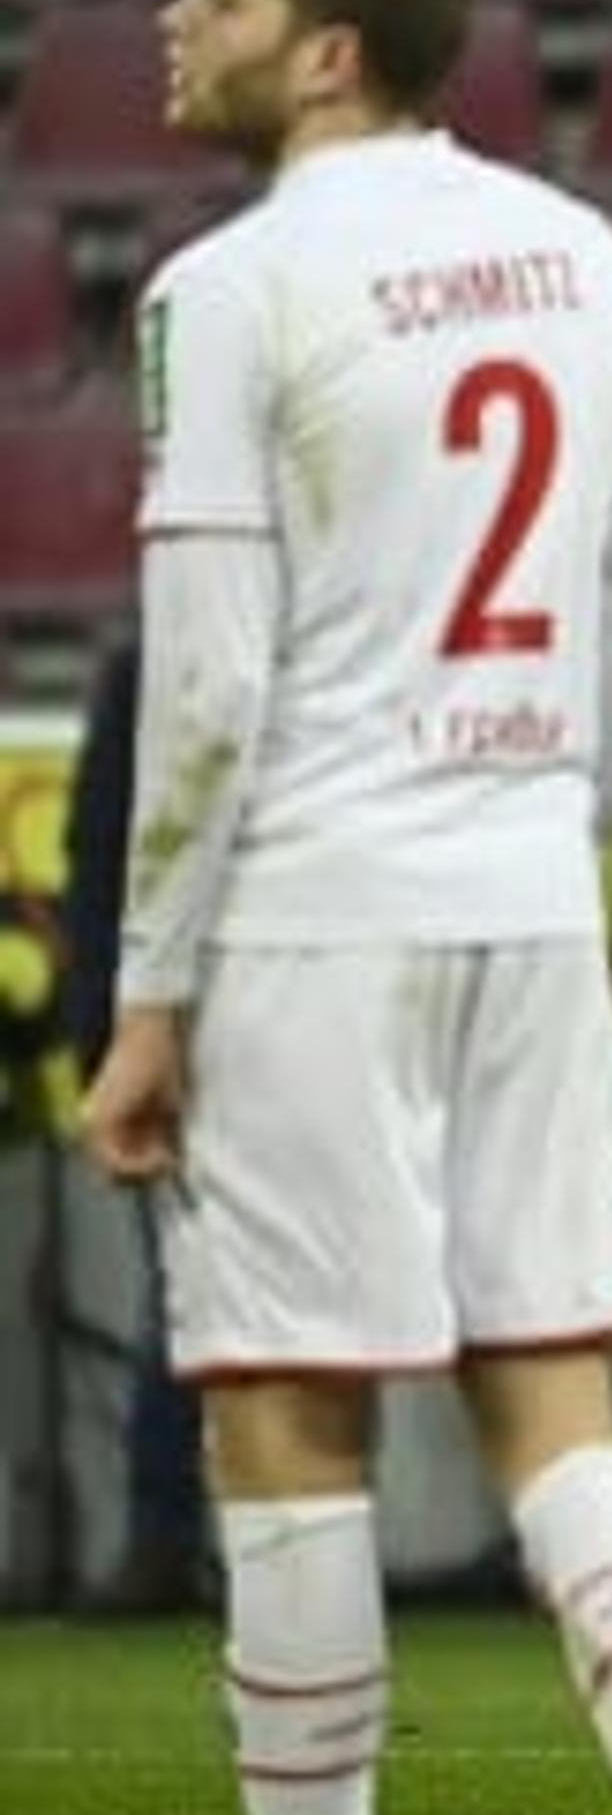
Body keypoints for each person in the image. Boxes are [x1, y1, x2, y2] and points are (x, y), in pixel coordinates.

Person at [76, 0, 612, 1815]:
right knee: (557, 1410)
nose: (175, 17)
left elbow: (203, 690)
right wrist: (553, 819)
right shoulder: (582, 260)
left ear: (328, 50)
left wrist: (150, 992)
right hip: (519, 895)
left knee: (291, 1432)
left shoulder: (225, 289)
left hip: (307, 912)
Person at [56, 633, 210, 1616]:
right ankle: (164, 1529)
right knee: (188, 1286)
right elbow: (101, 863)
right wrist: (104, 1033)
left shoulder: (157, 658)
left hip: (273, 998)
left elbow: (95, 856)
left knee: (192, 1290)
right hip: (187, 1018)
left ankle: (175, 1533)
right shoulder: (147, 665)